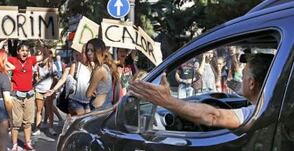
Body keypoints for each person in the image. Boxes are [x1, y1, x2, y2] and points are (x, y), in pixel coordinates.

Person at [130, 53, 273, 129]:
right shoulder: (273, 106)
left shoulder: (255, 112)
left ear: (252, 83)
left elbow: (213, 116)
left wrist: (166, 101)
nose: (240, 80)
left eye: (243, 76)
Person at [2, 40, 48, 151]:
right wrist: (2, 44)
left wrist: (42, 44)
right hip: (17, 96)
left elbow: (45, 55)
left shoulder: (31, 60)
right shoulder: (12, 60)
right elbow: (0, 57)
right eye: (22, 50)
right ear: (17, 51)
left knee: (28, 123)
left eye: (27, 51)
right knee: (16, 123)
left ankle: (28, 143)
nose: (24, 53)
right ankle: (15, 145)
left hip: (29, 95)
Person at [33, 50, 58, 136]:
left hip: (48, 91)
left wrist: (52, 89)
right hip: (39, 90)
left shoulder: (52, 66)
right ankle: (37, 128)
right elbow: (33, 78)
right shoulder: (37, 66)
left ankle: (51, 127)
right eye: (39, 56)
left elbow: (56, 78)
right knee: (39, 110)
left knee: (50, 109)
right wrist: (35, 77)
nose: (41, 58)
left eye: (43, 56)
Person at [85, 38, 114, 111]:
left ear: (99, 51)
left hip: (100, 110)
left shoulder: (100, 70)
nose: (89, 53)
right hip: (103, 108)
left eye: (92, 50)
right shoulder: (104, 67)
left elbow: (88, 94)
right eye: (87, 50)